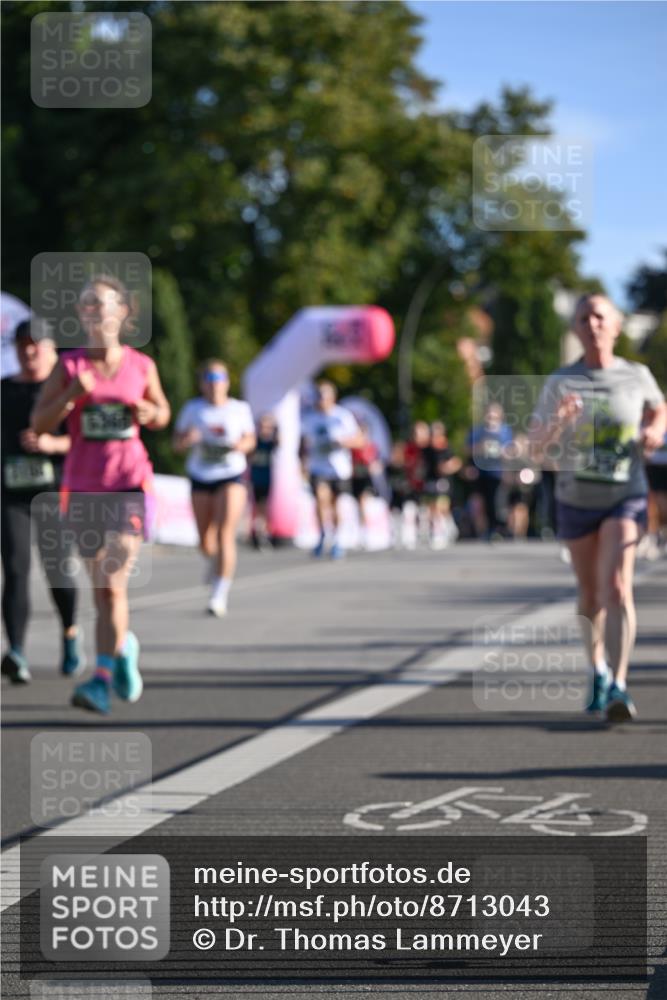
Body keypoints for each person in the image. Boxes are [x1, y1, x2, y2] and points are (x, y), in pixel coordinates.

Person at [31, 275, 171, 713]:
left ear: (123, 312)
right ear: (80, 314)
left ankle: (101, 679)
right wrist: (72, 395)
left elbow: (163, 412)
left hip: (129, 484)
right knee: (103, 592)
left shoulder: (141, 366)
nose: (95, 311)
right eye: (87, 304)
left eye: (103, 303)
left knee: (112, 580)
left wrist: (150, 411)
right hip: (83, 487)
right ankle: (123, 647)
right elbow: (39, 423)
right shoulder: (69, 366)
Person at [530, 293, 666, 723]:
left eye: (600, 316)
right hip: (575, 498)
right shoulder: (561, 381)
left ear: (616, 327)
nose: (592, 324)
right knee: (590, 595)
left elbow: (659, 408)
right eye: (584, 317)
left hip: (625, 494)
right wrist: (559, 422)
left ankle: (619, 684)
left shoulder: (636, 375)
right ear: (575, 328)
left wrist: (654, 431)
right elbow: (536, 448)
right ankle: (597, 670)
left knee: (617, 587)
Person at [1, 318, 82, 684]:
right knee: (15, 569)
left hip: (54, 491)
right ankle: (16, 652)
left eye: (36, 344)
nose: (29, 351)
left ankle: (70, 631)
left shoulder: (64, 391)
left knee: (57, 569)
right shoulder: (4, 390)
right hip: (11, 493)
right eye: (22, 345)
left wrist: (52, 444)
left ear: (52, 350)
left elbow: (82, 439)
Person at [173, 360, 256, 614]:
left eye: (219, 379)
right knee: (205, 541)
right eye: (209, 380)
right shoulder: (193, 409)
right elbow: (176, 444)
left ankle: (219, 594)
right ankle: (214, 562)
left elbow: (250, 439)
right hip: (201, 474)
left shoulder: (239, 409)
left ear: (227, 383)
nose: (214, 385)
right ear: (202, 384)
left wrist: (240, 446)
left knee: (224, 533)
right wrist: (188, 440)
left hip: (231, 474)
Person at [300, 380, 363, 558]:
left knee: (336, 505)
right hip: (318, 467)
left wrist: (342, 442)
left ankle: (336, 539)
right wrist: (302, 464)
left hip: (339, 469)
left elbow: (359, 440)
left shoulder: (342, 416)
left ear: (333, 397)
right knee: (321, 499)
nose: (322, 400)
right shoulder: (310, 418)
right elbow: (303, 444)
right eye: (319, 396)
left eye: (325, 396)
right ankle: (323, 533)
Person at [465, 402, 513, 539]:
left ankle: (497, 529)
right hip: (481, 472)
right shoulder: (478, 431)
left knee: (497, 502)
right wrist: (481, 447)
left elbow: (511, 451)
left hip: (498, 472)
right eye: (489, 415)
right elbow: (468, 450)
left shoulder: (505, 431)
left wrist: (503, 452)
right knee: (481, 502)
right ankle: (483, 531)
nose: (491, 418)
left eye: (495, 415)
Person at [422, 421, 462, 549]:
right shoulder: (427, 448)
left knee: (441, 506)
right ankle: (444, 528)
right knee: (431, 507)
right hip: (431, 480)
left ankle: (441, 532)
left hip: (443, 482)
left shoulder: (446, 447)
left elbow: (456, 462)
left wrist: (447, 467)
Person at [248, 413, 279, 550]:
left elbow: (279, 441)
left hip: (267, 480)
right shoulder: (254, 442)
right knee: (258, 508)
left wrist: (276, 428)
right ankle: (260, 535)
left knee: (265, 509)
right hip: (255, 480)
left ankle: (264, 534)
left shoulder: (271, 443)